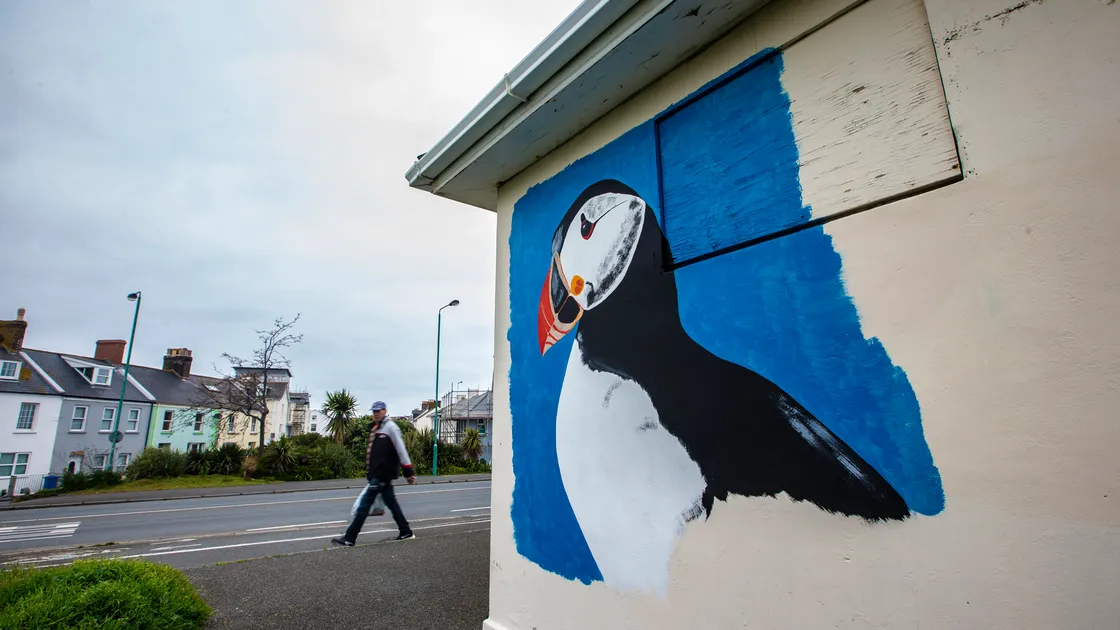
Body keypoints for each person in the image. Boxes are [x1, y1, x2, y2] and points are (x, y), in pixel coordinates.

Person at [332, 401, 416, 546]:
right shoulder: (377, 428)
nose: (376, 413)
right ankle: (405, 531)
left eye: (378, 411)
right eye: (374, 411)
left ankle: (349, 538)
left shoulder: (391, 428)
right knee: (392, 504)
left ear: (385, 411)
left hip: (383, 474)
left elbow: (401, 450)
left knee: (364, 506)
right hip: (378, 474)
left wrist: (408, 471)